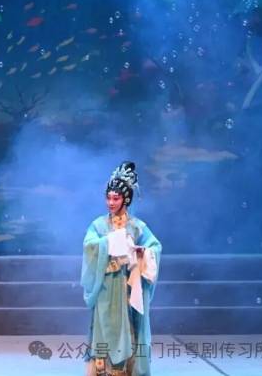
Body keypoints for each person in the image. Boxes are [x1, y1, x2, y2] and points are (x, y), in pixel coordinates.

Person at [81, 161, 161, 376]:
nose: (110, 202)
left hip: (127, 287)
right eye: (108, 197)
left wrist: (142, 252)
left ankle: (124, 369)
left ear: (126, 199)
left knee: (127, 327)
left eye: (115, 198)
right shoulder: (99, 225)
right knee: (104, 325)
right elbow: (88, 245)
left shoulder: (136, 226)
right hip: (106, 286)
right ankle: (102, 369)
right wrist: (109, 242)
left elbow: (155, 246)